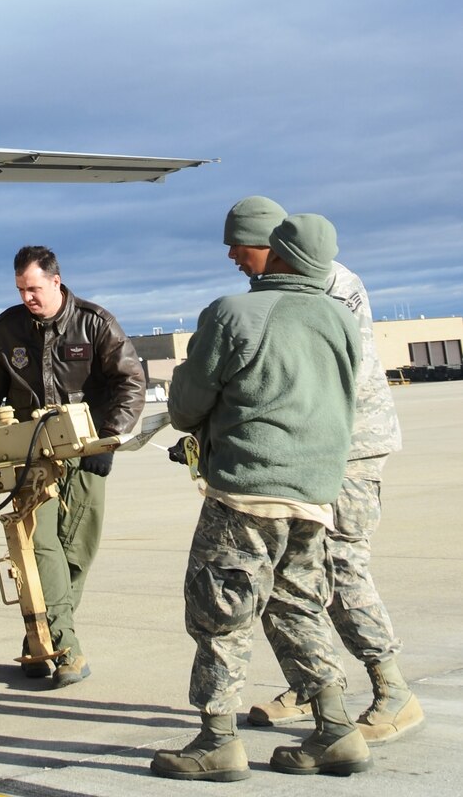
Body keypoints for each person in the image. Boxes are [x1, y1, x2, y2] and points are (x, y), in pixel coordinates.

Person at [151, 215, 369, 782]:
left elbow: (186, 407)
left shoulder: (233, 313)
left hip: (246, 492)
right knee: (298, 604)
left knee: (220, 612)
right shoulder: (342, 319)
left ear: (276, 254)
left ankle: (217, 741)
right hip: (316, 493)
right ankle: (336, 729)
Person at [221, 196, 423, 747]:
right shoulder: (289, 287)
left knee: (338, 570)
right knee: (287, 574)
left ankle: (392, 689)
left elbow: (308, 379)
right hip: (306, 455)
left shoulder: (327, 286)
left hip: (347, 451)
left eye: (240, 247)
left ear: (271, 245)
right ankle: (314, 682)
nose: (234, 258)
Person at [0, 243, 144, 686]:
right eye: (20, 289)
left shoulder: (95, 323)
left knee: (78, 552)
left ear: (56, 281)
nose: (27, 298)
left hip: (86, 455)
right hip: (30, 458)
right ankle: (67, 650)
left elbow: (131, 382)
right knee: (43, 550)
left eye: (34, 288)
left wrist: (107, 443)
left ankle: (38, 639)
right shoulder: (8, 329)